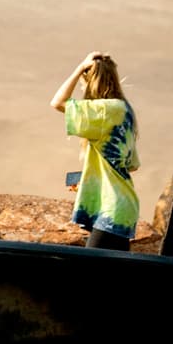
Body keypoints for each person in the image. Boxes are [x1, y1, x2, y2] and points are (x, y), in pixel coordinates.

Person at [49, 51, 140, 251]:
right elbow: (131, 165)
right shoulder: (124, 110)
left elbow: (57, 102)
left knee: (88, 273)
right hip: (122, 206)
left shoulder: (106, 110)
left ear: (91, 82)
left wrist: (79, 67)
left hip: (111, 209)